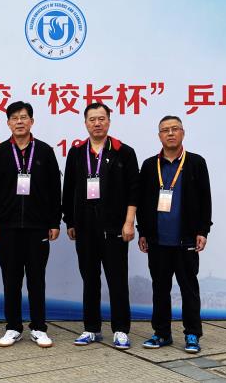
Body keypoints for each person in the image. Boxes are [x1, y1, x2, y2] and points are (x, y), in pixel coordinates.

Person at [0, 101, 62, 348]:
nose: (19, 122)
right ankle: (13, 327)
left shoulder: (44, 151)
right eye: (15, 118)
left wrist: (54, 221)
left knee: (37, 279)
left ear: (32, 121)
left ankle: (39, 327)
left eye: (24, 117)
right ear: (8, 123)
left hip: (38, 227)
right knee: (11, 279)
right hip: (7, 227)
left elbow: (55, 189)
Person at [62, 103, 138, 350]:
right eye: (92, 119)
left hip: (115, 228)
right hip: (85, 228)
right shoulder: (77, 153)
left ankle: (121, 329)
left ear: (109, 121)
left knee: (117, 280)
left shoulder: (124, 152)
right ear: (85, 123)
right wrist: (70, 221)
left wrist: (129, 222)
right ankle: (91, 328)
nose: (97, 123)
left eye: (101, 118)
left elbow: (134, 191)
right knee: (90, 280)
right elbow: (68, 190)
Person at [136, 115, 212, 354]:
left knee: (189, 289)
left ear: (183, 133)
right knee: (160, 289)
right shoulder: (150, 165)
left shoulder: (196, 162)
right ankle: (161, 333)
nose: (170, 133)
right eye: (165, 130)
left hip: (186, 239)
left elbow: (205, 199)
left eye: (175, 129)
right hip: (157, 240)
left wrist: (203, 230)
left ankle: (192, 334)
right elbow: (142, 202)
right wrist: (143, 232)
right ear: (159, 136)